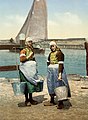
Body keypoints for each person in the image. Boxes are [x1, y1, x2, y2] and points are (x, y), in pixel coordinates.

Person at [44, 41, 71, 109]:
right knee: (51, 85)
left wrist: (60, 74)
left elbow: (61, 64)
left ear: (56, 46)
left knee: (59, 85)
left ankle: (60, 102)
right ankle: (52, 100)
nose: (52, 47)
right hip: (51, 72)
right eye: (51, 46)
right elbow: (48, 62)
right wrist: (49, 68)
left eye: (53, 46)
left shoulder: (59, 53)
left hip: (57, 71)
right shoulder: (50, 54)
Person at [19, 37, 38, 106]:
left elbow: (33, 58)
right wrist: (28, 57)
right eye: (29, 42)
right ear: (26, 43)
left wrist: (35, 63)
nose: (30, 43)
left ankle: (31, 98)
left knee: (31, 84)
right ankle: (26, 100)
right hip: (24, 71)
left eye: (31, 42)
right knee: (26, 85)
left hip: (30, 70)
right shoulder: (23, 50)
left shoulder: (31, 50)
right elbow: (21, 59)